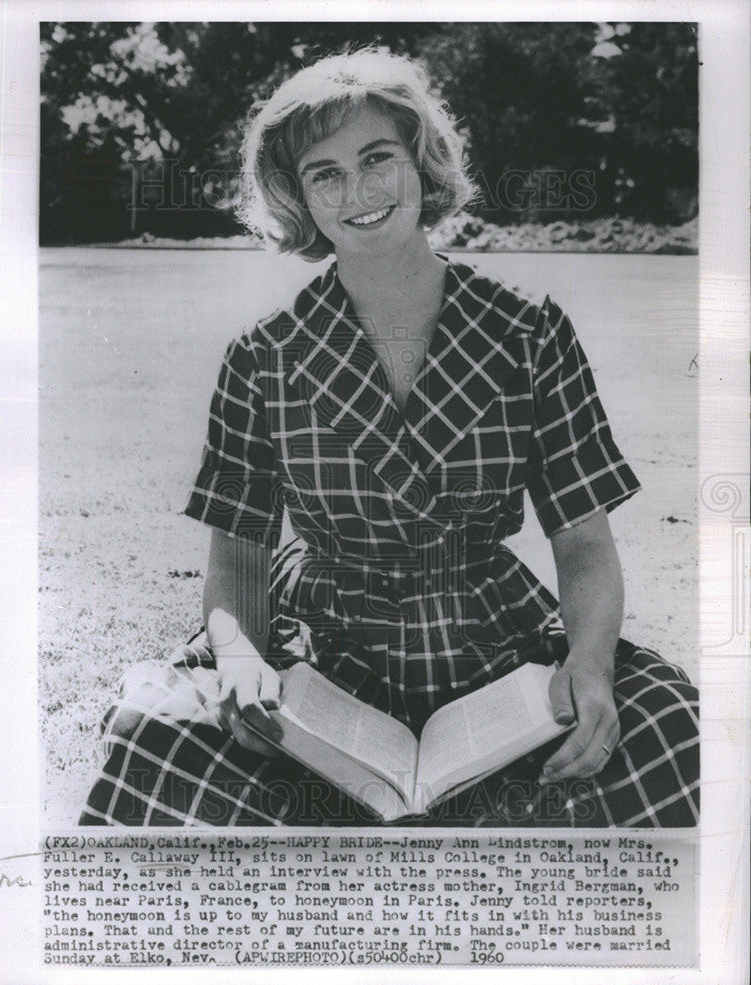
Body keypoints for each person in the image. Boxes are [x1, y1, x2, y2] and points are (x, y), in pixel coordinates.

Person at [80, 48, 698, 828]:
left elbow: (580, 542)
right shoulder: (261, 355)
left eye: (378, 160)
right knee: (153, 737)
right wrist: (239, 662)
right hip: (322, 650)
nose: (358, 193)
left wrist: (590, 666)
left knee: (671, 729)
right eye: (324, 174)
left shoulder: (528, 329)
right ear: (298, 197)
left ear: (421, 166)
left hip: (492, 638)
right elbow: (237, 557)